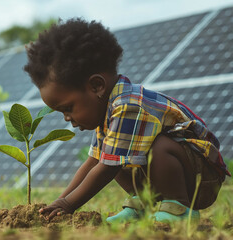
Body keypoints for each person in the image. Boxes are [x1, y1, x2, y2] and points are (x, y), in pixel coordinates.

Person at [23, 18, 231, 223]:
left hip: (202, 178)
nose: (68, 119)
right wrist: (59, 202)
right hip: (179, 171)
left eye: (68, 109)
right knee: (112, 153)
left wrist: (69, 204)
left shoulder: (129, 106)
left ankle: (179, 208)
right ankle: (141, 204)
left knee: (144, 151)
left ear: (96, 86)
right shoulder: (107, 113)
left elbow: (106, 169)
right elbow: (93, 162)